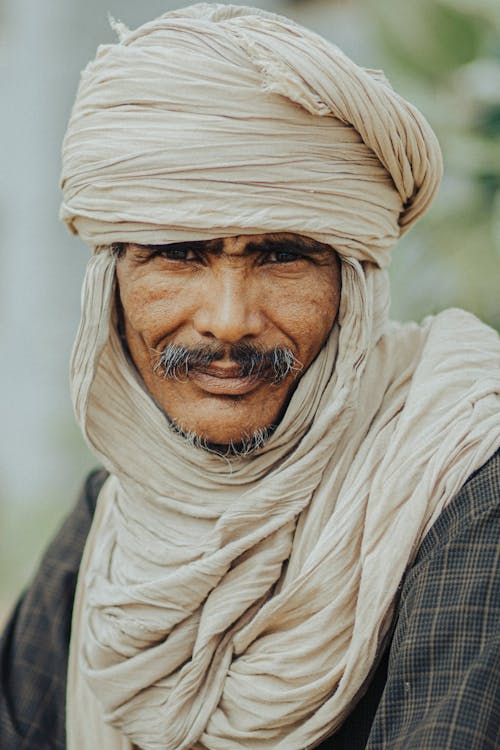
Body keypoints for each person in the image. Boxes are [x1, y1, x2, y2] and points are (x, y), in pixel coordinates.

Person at [1, 4, 499, 749]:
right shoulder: (112, 522)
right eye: (179, 253)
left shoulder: (460, 483)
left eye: (283, 254)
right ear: (111, 283)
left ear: (354, 282)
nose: (229, 320)